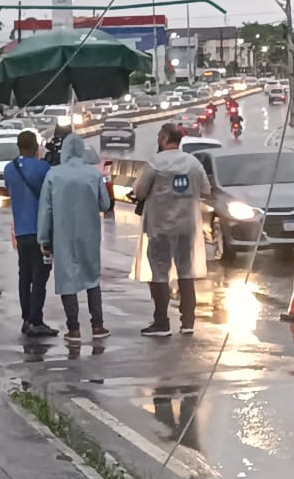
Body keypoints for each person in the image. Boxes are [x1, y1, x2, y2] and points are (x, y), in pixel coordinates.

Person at [131, 124, 210, 337]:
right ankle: (188, 322)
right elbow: (206, 189)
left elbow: (139, 191)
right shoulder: (193, 163)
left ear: (165, 138)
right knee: (185, 271)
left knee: (159, 273)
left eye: (159, 136)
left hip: (160, 227)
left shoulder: (155, 163)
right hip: (187, 227)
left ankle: (161, 322)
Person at [38, 134, 112, 344]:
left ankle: (74, 328)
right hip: (89, 233)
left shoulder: (54, 175)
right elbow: (105, 204)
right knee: (92, 277)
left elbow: (46, 210)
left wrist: (44, 238)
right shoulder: (93, 174)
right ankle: (97, 325)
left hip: (62, 235)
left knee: (67, 279)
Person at [4, 130, 57, 338]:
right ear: (36, 147)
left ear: (18, 147)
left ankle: (26, 318)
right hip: (41, 232)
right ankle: (37, 320)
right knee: (40, 276)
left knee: (24, 276)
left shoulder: (10, 169)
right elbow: (51, 191)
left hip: (21, 231)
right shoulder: (43, 168)